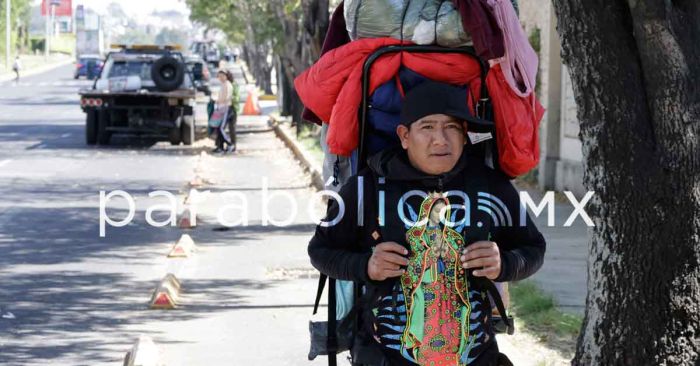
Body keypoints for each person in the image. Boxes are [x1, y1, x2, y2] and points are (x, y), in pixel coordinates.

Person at [308, 81, 546, 366]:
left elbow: (533, 248)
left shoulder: (489, 186)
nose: (441, 140)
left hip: (476, 356)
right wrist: (366, 266)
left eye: (452, 128)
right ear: (404, 136)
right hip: (383, 357)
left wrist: (504, 263)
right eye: (428, 127)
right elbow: (320, 251)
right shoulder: (367, 188)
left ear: (465, 135)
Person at [212, 70, 238, 153]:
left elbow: (227, 98)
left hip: (226, 108)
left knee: (221, 128)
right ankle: (220, 147)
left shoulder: (228, 85)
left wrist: (218, 100)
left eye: (221, 76)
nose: (220, 78)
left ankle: (230, 144)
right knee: (217, 127)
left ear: (225, 76)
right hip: (220, 108)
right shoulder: (223, 85)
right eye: (219, 76)